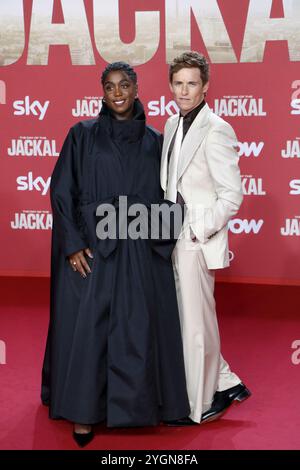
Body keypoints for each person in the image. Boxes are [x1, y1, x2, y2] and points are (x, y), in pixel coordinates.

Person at [41, 62, 190, 446]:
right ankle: (83, 414)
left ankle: (141, 409)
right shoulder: (82, 135)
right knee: (89, 332)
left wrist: (161, 244)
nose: (118, 93)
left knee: (136, 330)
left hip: (140, 249)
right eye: (110, 87)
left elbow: (169, 196)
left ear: (137, 88)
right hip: (93, 248)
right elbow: (62, 192)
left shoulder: (156, 141)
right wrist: (72, 243)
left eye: (125, 85)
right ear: (102, 92)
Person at [161, 51, 251, 425]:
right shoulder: (170, 123)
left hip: (196, 239)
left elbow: (232, 195)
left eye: (191, 84)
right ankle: (227, 381)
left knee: (196, 324)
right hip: (169, 236)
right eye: (178, 83)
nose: (184, 91)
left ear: (205, 86)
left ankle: (198, 406)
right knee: (187, 319)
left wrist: (198, 232)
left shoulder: (217, 128)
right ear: (171, 85)